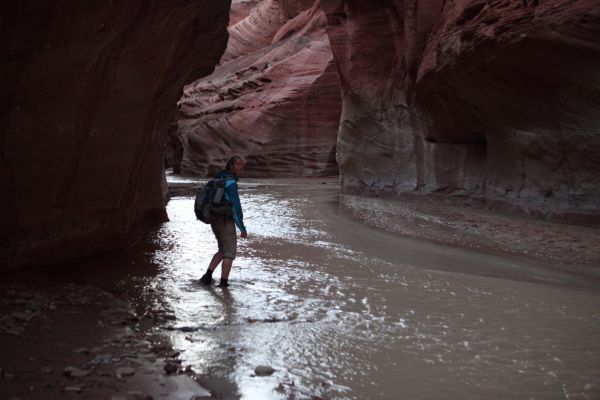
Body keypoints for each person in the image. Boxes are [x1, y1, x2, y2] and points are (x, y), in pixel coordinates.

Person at [199, 155, 248, 288]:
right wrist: (242, 228)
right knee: (229, 253)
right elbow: (235, 207)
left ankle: (207, 277)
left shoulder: (218, 178)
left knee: (222, 249)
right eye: (238, 165)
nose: (240, 168)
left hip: (214, 218)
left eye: (242, 166)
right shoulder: (231, 183)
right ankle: (223, 284)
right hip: (225, 221)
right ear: (231, 166)